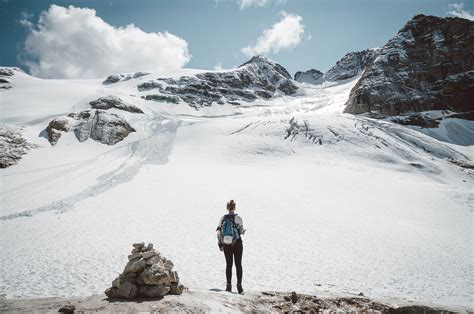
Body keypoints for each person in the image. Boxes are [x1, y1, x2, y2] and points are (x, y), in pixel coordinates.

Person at [216, 199, 245, 294]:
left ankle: (228, 287)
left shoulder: (222, 218)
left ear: (227, 208)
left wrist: (220, 244)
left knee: (229, 265)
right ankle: (239, 287)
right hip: (237, 243)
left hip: (226, 243)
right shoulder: (238, 218)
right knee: (238, 264)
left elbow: (219, 232)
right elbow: (240, 231)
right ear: (235, 207)